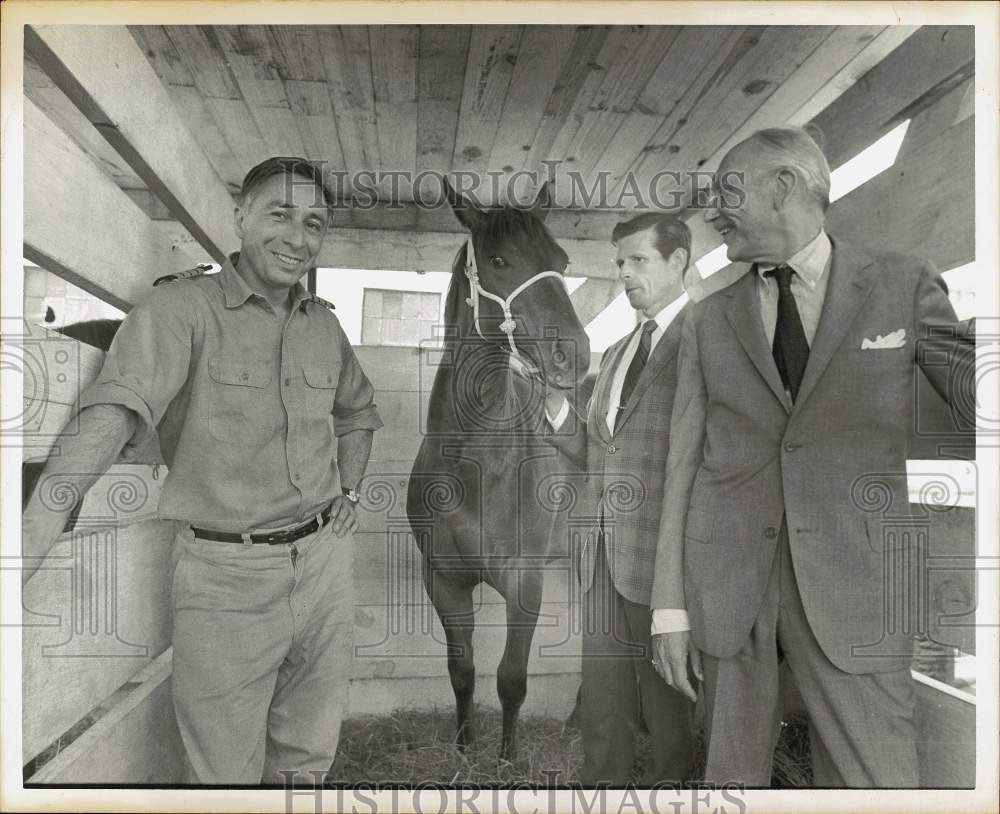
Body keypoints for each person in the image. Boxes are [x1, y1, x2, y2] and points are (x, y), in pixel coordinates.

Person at [22, 156, 383, 785]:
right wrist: (25, 542)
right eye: (280, 214)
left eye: (314, 223)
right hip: (226, 576)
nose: (297, 238)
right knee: (224, 776)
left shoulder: (324, 325)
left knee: (307, 754)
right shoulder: (178, 311)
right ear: (240, 217)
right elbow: (114, 412)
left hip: (326, 563)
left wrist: (348, 490)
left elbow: (359, 413)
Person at [649, 127, 961, 787]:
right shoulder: (708, 318)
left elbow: (979, 400)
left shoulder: (902, 285)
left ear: (782, 187)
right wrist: (669, 606)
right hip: (732, 593)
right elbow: (682, 464)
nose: (712, 213)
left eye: (725, 192)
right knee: (728, 786)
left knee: (879, 786)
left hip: (859, 589)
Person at [544, 213, 695, 786]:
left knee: (667, 700)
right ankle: (599, 787)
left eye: (639, 260)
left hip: (666, 555)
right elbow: (596, 451)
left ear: (678, 260)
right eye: (620, 263)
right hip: (600, 555)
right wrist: (552, 406)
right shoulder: (616, 352)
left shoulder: (705, 338)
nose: (625, 273)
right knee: (604, 695)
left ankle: (673, 791)